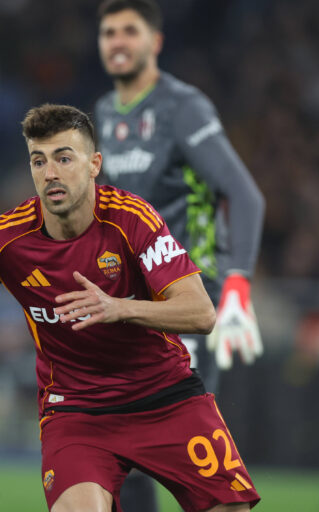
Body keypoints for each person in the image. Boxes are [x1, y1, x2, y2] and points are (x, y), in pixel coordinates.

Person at [0, 104, 259, 511]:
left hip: (164, 395)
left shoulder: (132, 219)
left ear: (94, 164)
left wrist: (119, 308)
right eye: (38, 160)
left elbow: (201, 313)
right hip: (76, 411)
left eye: (64, 158)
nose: (50, 173)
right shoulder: (4, 240)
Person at [94, 3, 266, 506]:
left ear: (156, 42)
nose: (118, 41)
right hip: (129, 302)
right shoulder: (104, 111)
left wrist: (238, 284)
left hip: (186, 295)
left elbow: (243, 193)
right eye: (108, 32)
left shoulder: (183, 107)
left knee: (178, 441)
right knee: (125, 448)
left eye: (130, 30)